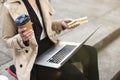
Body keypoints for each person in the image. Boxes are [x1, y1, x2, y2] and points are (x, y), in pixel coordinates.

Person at [1, 0, 99, 80]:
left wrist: (61, 24)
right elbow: (7, 40)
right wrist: (21, 38)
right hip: (32, 56)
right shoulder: (9, 5)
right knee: (76, 76)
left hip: (51, 46)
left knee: (91, 52)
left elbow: (43, 25)